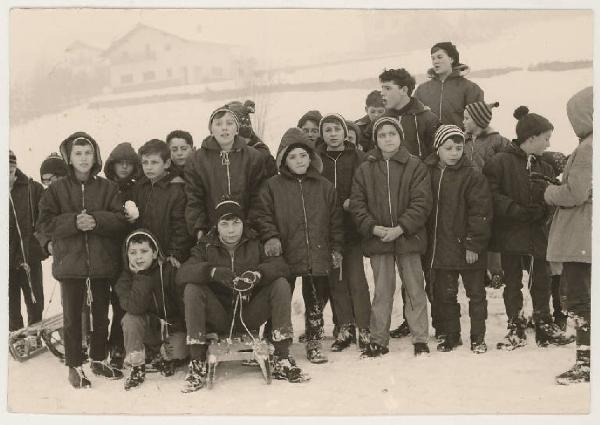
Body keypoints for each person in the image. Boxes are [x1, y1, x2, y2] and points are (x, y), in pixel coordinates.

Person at [177, 200, 308, 392]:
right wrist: (211, 272)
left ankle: (282, 355)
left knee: (280, 284)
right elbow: (182, 273)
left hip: (249, 313)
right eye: (224, 224)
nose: (231, 230)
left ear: (243, 223)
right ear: (216, 226)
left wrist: (258, 275)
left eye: (236, 223)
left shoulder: (255, 242)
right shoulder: (205, 246)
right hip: (220, 316)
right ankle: (197, 361)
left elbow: (281, 266)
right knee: (192, 288)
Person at [37, 132, 128, 388]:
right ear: (69, 157)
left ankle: (98, 359)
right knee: (72, 318)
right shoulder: (56, 190)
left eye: (88, 153)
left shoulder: (108, 188)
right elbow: (44, 223)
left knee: (101, 315)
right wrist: (74, 222)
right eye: (78, 153)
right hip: (70, 266)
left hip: (101, 264)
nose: (84, 158)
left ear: (95, 155)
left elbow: (120, 220)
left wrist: (97, 220)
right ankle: (74, 365)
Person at [483, 107, 574, 350]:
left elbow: (550, 196)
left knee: (540, 280)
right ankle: (515, 325)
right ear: (531, 138)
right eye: (546, 138)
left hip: (536, 235)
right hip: (510, 234)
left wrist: (542, 211)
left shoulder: (545, 166)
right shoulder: (500, 162)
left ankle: (544, 324)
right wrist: (516, 211)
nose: (549, 143)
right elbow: (492, 195)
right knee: (512, 282)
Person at [256, 127, 344, 364]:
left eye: (303, 155)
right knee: (281, 297)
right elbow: (263, 216)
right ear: (283, 159)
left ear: (311, 158)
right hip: (285, 254)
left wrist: (336, 248)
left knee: (315, 299)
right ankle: (276, 338)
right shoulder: (272, 186)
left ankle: (314, 341)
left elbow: (336, 220)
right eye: (292, 156)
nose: (299, 161)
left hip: (317, 254)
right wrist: (271, 237)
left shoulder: (324, 186)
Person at [350, 116, 432, 357]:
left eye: (392, 134)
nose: (387, 139)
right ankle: (378, 339)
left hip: (409, 238)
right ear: (375, 139)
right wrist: (373, 228)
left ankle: (420, 338)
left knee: (415, 289)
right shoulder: (366, 168)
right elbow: (357, 204)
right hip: (379, 239)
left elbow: (422, 202)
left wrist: (401, 228)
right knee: (383, 290)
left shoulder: (415, 165)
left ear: (400, 136)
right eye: (382, 135)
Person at [423, 125, 492, 353]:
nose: (454, 153)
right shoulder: (428, 171)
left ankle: (478, 337)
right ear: (438, 149)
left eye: (459, 147)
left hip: (467, 246)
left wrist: (474, 244)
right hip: (441, 247)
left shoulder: (472, 174)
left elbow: (480, 212)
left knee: (476, 294)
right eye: (448, 148)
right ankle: (452, 336)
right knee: (446, 294)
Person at [544, 87, 592, 385]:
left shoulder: (588, 147)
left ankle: (585, 362)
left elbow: (575, 193)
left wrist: (550, 192)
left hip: (580, 235)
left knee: (578, 299)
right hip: (588, 234)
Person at [316, 113, 371, 350]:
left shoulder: (357, 156)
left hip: (352, 228)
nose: (333, 134)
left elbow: (366, 186)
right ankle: (345, 328)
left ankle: (365, 328)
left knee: (356, 279)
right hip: (327, 229)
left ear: (344, 131)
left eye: (337, 129)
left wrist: (353, 202)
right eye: (327, 130)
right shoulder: (316, 159)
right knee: (336, 281)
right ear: (322, 134)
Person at [115, 229, 188, 390]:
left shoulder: (169, 270)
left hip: (171, 327)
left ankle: (163, 356)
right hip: (148, 329)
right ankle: (137, 367)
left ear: (154, 253)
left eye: (144, 251)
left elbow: (183, 304)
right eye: (133, 252)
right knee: (130, 318)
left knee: (179, 351)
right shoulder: (124, 280)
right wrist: (140, 276)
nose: (138, 257)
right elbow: (135, 307)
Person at [185, 106, 268, 241]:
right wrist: (199, 227)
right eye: (218, 124)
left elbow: (258, 196)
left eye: (229, 123)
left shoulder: (253, 157)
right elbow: (194, 198)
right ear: (211, 130)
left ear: (236, 129)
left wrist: (251, 226)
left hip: (247, 230)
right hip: (212, 231)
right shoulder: (197, 159)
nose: (224, 128)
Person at [102, 141, 143, 368]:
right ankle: (108, 343)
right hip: (108, 250)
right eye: (120, 164)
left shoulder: (138, 188)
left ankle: (121, 343)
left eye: (129, 164)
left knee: (124, 299)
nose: (124, 168)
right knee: (106, 300)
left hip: (130, 251)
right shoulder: (105, 187)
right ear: (112, 165)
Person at [462, 101, 511, 290]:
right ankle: (479, 271)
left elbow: (507, 164)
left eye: (467, 118)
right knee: (474, 232)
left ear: (479, 121)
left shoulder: (498, 141)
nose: (463, 121)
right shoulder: (463, 140)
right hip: (469, 195)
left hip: (490, 194)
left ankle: (496, 272)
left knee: (492, 235)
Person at [129, 139, 191, 267]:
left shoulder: (176, 189)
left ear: (167, 163)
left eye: (154, 162)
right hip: (142, 255)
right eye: (145, 162)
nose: (149, 167)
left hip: (166, 256)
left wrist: (175, 253)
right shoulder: (139, 187)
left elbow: (181, 226)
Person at [9, 150, 46, 334]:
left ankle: (34, 334)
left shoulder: (32, 188)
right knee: (9, 302)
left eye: (9, 169)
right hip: (6, 259)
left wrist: (40, 246)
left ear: (15, 168)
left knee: (34, 299)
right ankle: (15, 336)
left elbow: (46, 218)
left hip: (28, 256)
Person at [415, 41, 484, 127]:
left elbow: (477, 123)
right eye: (433, 58)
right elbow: (414, 121)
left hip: (459, 139)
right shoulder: (421, 90)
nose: (435, 61)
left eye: (439, 57)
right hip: (429, 140)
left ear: (451, 59)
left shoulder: (470, 88)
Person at [379, 68, 440, 160]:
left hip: (419, 173)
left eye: (388, 88)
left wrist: (421, 171)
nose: (382, 93)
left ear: (403, 90)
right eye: (382, 88)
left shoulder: (429, 120)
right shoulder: (380, 121)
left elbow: (437, 155)